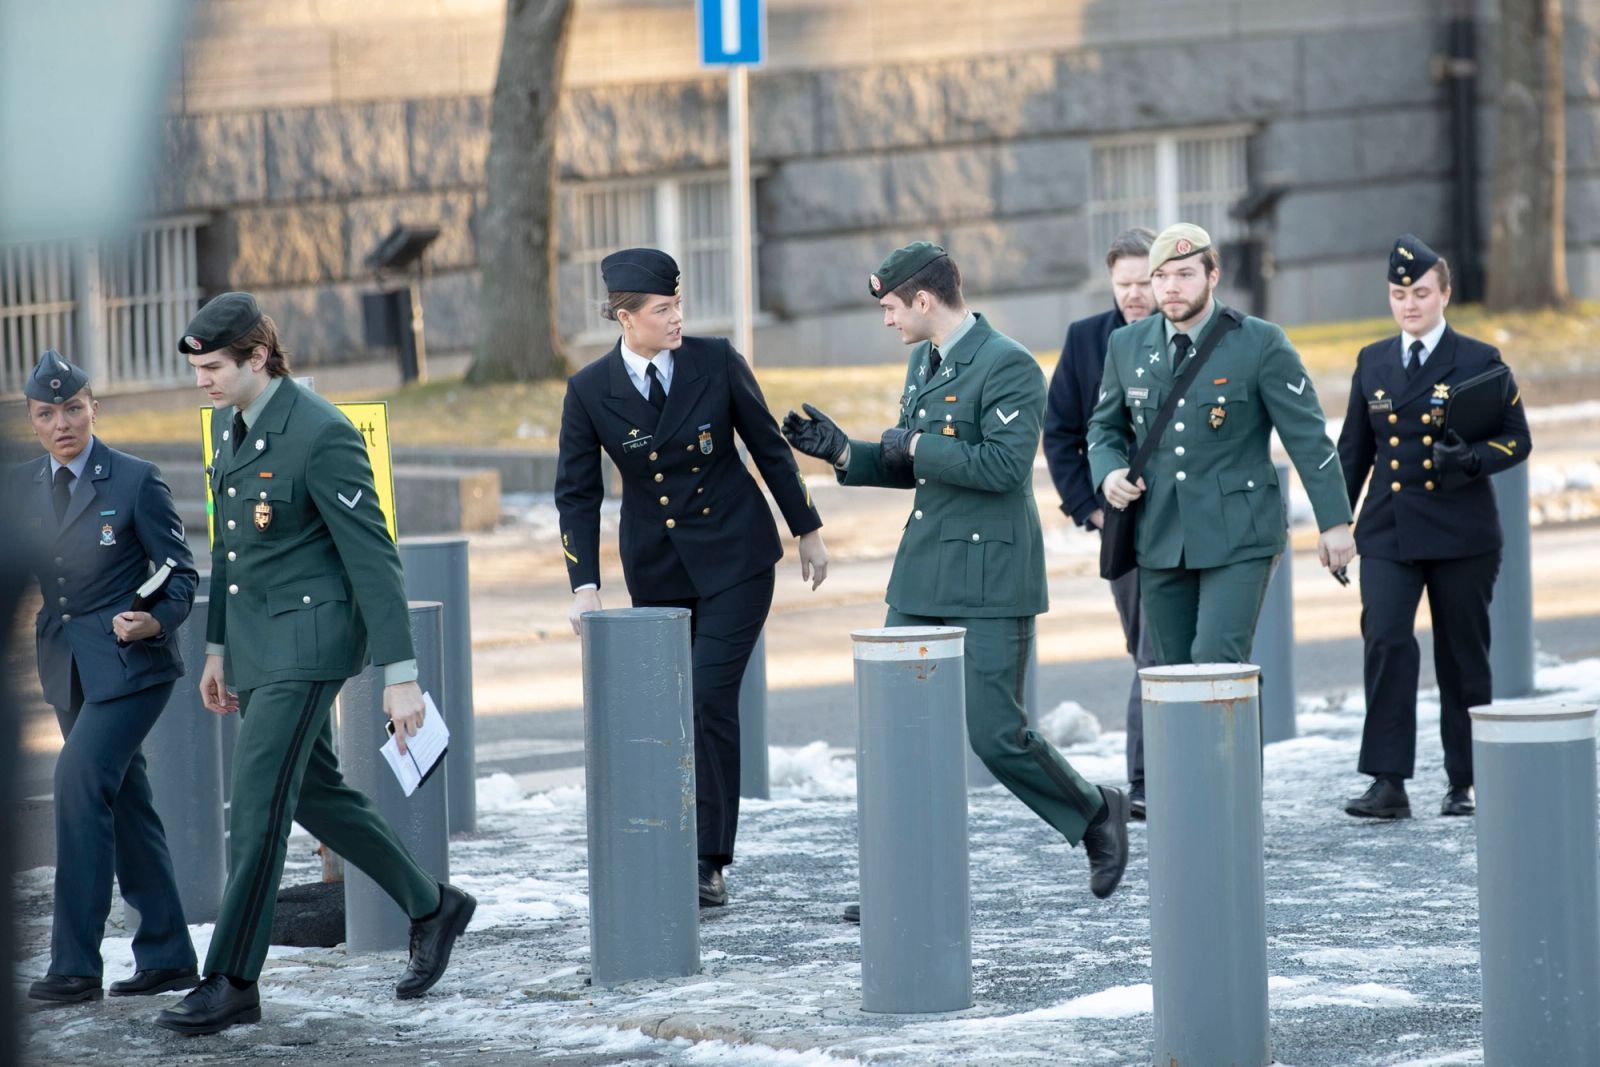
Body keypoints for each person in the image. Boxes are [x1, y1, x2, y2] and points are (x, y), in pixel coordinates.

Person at [156, 293, 475, 1035]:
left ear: (258, 357)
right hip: (258, 646)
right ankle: (432, 904)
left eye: (213, 367)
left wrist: (400, 673)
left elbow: (374, 557)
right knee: (312, 793)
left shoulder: (322, 432)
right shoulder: (231, 426)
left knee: (256, 809)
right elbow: (232, 552)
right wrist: (216, 648)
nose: (201, 381)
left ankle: (232, 977)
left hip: (311, 644)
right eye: (198, 369)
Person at [784, 241, 1130, 915]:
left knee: (995, 734)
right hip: (924, 571)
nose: (887, 320)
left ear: (923, 299)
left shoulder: (1009, 364)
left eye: (891, 307)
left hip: (993, 573)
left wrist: (916, 444)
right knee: (898, 729)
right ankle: (899, 882)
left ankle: (1094, 811)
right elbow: (913, 463)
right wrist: (844, 453)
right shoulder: (925, 359)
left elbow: (1002, 467)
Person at [555, 248, 830, 909]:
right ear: (625, 317)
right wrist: (584, 584)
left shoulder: (716, 360)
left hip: (737, 557)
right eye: (662, 309)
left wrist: (807, 528)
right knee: (674, 708)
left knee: (708, 698)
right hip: (658, 568)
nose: (677, 317)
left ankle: (708, 860)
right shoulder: (589, 389)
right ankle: (673, 840)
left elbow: (768, 447)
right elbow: (577, 493)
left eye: (678, 305)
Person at [9, 350, 199, 1004]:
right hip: (66, 665)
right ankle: (169, 956)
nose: (61, 423)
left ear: (94, 408)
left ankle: (74, 966)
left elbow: (181, 571)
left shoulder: (135, 479)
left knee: (77, 780)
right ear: (32, 420)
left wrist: (156, 620)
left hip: (131, 662)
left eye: (72, 408)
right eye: (46, 413)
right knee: (126, 802)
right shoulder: (20, 485)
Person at [1087, 223, 1355, 670]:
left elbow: (1307, 436)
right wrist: (1109, 470)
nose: (1171, 287)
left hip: (1239, 535)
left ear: (1213, 276)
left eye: (1185, 274)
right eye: (1161, 276)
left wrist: (1334, 521)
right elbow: (1104, 426)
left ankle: (1236, 717)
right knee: (1170, 673)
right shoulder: (1126, 344)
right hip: (1159, 534)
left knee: (1218, 664)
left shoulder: (1260, 342)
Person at [1338, 235, 1531, 820]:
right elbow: (1354, 452)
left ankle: (1465, 780)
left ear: (1445, 294)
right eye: (1399, 295)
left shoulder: (1479, 359)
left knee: (1462, 653)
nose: (1410, 305)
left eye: (1421, 293)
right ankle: (1387, 781)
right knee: (1387, 641)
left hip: (1461, 532)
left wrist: (1473, 458)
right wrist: (1335, 523)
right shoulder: (1373, 360)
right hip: (1388, 529)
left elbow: (1517, 439)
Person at [1044, 227, 1160, 819]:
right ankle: (1148, 778)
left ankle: (1148, 779)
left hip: (1187, 520)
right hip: (1122, 526)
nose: (1134, 294)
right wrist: (1090, 508)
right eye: (1123, 284)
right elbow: (1060, 432)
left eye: (1143, 283)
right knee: (1145, 649)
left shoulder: (1189, 335)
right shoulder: (1086, 339)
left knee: (1169, 651)